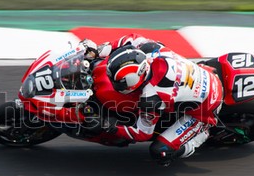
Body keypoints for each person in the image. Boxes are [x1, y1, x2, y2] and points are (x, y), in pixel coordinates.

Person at [81, 34, 223, 166]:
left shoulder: (151, 98)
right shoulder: (151, 50)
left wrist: (107, 126)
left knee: (160, 151)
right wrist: (99, 51)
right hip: (203, 73)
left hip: (206, 108)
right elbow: (130, 39)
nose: (114, 84)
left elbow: (142, 133)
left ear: (133, 81)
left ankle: (201, 135)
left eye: (118, 82)